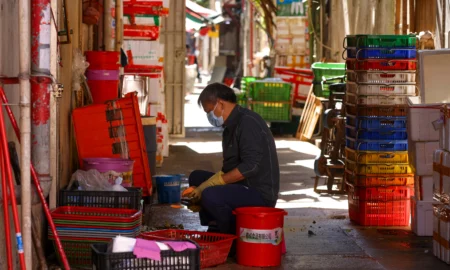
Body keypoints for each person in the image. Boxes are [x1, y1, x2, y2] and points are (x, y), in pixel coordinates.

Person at [187, 83, 280, 237]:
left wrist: (212, 184)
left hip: (258, 193)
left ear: (221, 103)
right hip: (242, 185)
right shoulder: (230, 127)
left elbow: (250, 167)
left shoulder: (248, 123)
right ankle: (215, 224)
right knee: (196, 177)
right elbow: (229, 166)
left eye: (210, 111)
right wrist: (204, 186)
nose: (209, 116)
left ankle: (231, 235)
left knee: (210, 193)